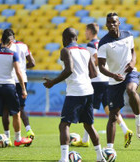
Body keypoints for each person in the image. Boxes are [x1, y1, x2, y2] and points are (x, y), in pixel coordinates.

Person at [43, 27, 106, 162]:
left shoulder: (65, 50)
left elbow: (69, 69)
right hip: (88, 91)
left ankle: (64, 159)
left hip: (75, 92)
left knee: (64, 124)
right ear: (76, 38)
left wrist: (52, 82)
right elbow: (93, 73)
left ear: (64, 39)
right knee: (89, 125)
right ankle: (100, 157)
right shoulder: (85, 51)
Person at [72, 23, 133, 148]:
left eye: (85, 31)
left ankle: (85, 139)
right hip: (107, 79)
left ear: (89, 31)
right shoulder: (101, 42)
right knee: (110, 110)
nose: (84, 33)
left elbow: (96, 60)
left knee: (90, 109)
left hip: (97, 80)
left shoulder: (90, 45)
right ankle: (125, 129)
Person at [98, 12, 140, 150]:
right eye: (109, 22)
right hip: (114, 79)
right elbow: (100, 67)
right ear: (106, 25)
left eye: (114, 22)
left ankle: (138, 120)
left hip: (130, 72)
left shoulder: (128, 35)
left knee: (131, 90)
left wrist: (133, 62)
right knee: (113, 115)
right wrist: (112, 75)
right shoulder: (103, 43)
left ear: (119, 23)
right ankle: (109, 149)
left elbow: (133, 52)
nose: (112, 24)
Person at [0, 30, 32, 149]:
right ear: (11, 42)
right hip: (9, 86)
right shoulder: (12, 54)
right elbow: (18, 72)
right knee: (16, 113)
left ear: (0, 40)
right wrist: (23, 88)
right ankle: (17, 139)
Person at [0, 29, 36, 146]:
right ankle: (29, 130)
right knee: (20, 108)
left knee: (5, 109)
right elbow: (33, 63)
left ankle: (7, 137)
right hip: (22, 80)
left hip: (8, 80)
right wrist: (23, 68)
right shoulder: (23, 46)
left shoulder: (4, 47)